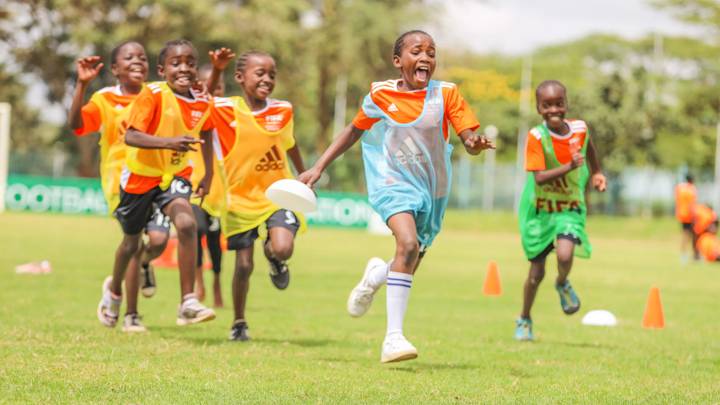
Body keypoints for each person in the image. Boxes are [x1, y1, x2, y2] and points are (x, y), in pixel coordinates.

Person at [298, 30, 493, 363]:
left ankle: (376, 275)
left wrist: (474, 145)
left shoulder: (446, 94)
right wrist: (318, 167)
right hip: (392, 181)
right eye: (417, 51)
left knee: (413, 256)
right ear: (398, 60)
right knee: (407, 245)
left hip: (433, 188)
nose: (426, 58)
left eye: (431, 52)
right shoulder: (380, 94)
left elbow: (469, 139)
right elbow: (353, 131)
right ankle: (393, 338)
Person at [96, 39, 216, 328]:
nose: (184, 68)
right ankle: (114, 293)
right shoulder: (152, 94)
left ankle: (188, 300)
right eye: (176, 63)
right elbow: (132, 136)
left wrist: (208, 173)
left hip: (174, 177)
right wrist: (169, 142)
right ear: (162, 70)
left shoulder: (202, 101)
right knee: (131, 245)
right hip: (139, 179)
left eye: (190, 62)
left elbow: (208, 131)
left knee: (187, 225)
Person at [68, 41, 170, 333]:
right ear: (115, 69)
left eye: (142, 56)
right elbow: (76, 125)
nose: (137, 60)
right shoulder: (105, 99)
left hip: (155, 176)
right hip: (121, 182)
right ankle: (129, 313)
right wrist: (81, 85)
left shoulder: (156, 95)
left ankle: (141, 267)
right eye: (129, 57)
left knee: (160, 242)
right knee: (135, 244)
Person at [207, 48, 306, 341]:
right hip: (238, 199)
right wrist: (215, 70)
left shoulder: (282, 110)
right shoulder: (226, 109)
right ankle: (239, 322)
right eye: (259, 73)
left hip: (278, 192)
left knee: (283, 247)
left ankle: (275, 259)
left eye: (272, 74)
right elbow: (203, 102)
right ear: (240, 77)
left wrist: (304, 175)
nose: (267, 79)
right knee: (244, 265)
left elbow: (289, 144)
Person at [515, 80, 607, 341]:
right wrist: (569, 166)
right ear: (538, 108)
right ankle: (524, 318)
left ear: (566, 103)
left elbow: (589, 148)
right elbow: (540, 178)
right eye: (547, 105)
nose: (554, 109)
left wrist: (597, 172)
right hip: (540, 209)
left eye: (559, 103)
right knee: (536, 272)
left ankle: (562, 282)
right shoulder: (536, 137)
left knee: (565, 256)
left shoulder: (580, 128)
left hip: (569, 207)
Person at [190, 61, 229, 307]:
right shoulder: (194, 110)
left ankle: (215, 281)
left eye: (219, 87)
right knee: (196, 230)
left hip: (218, 190)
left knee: (215, 243)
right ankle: (198, 283)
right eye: (209, 87)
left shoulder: (229, 115)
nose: (215, 91)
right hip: (194, 186)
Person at [675, 174, 698, 262]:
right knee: (692, 235)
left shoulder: (680, 188)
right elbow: (692, 203)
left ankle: (683, 255)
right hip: (690, 215)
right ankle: (694, 255)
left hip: (681, 214)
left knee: (685, 235)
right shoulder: (692, 189)